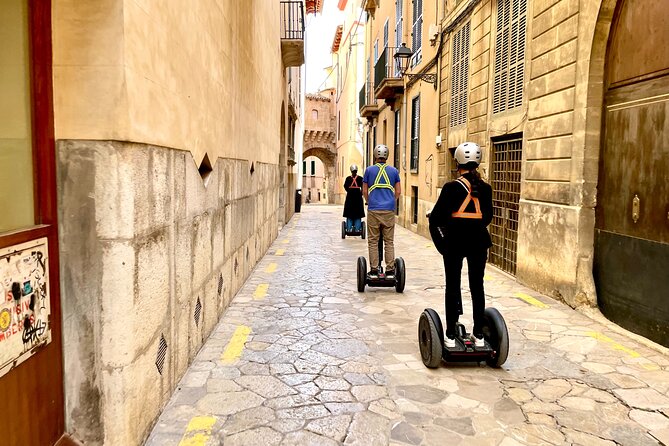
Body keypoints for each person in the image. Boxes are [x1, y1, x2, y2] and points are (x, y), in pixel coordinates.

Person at [428, 142, 493, 349]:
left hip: (455, 243)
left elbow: (436, 219)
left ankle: (448, 334)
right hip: (479, 243)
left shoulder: (450, 188)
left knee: (453, 286)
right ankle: (479, 335)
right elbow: (487, 218)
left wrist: (443, 245)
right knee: (477, 287)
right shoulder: (486, 188)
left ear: (458, 163)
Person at [362, 144, 401, 278]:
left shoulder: (368, 170)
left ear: (375, 155)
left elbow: (365, 191)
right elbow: (398, 192)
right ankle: (390, 269)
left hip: (374, 209)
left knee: (373, 240)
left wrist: (369, 201)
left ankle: (374, 269)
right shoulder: (394, 171)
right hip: (389, 210)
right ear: (387, 156)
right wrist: (391, 201)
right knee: (389, 241)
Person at [343, 164, 365, 232]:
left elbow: (345, 187)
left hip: (350, 197)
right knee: (358, 214)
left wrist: (350, 191)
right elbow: (363, 187)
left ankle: (349, 228)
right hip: (358, 198)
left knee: (349, 214)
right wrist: (360, 193)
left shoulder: (348, 178)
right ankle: (357, 229)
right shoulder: (360, 178)